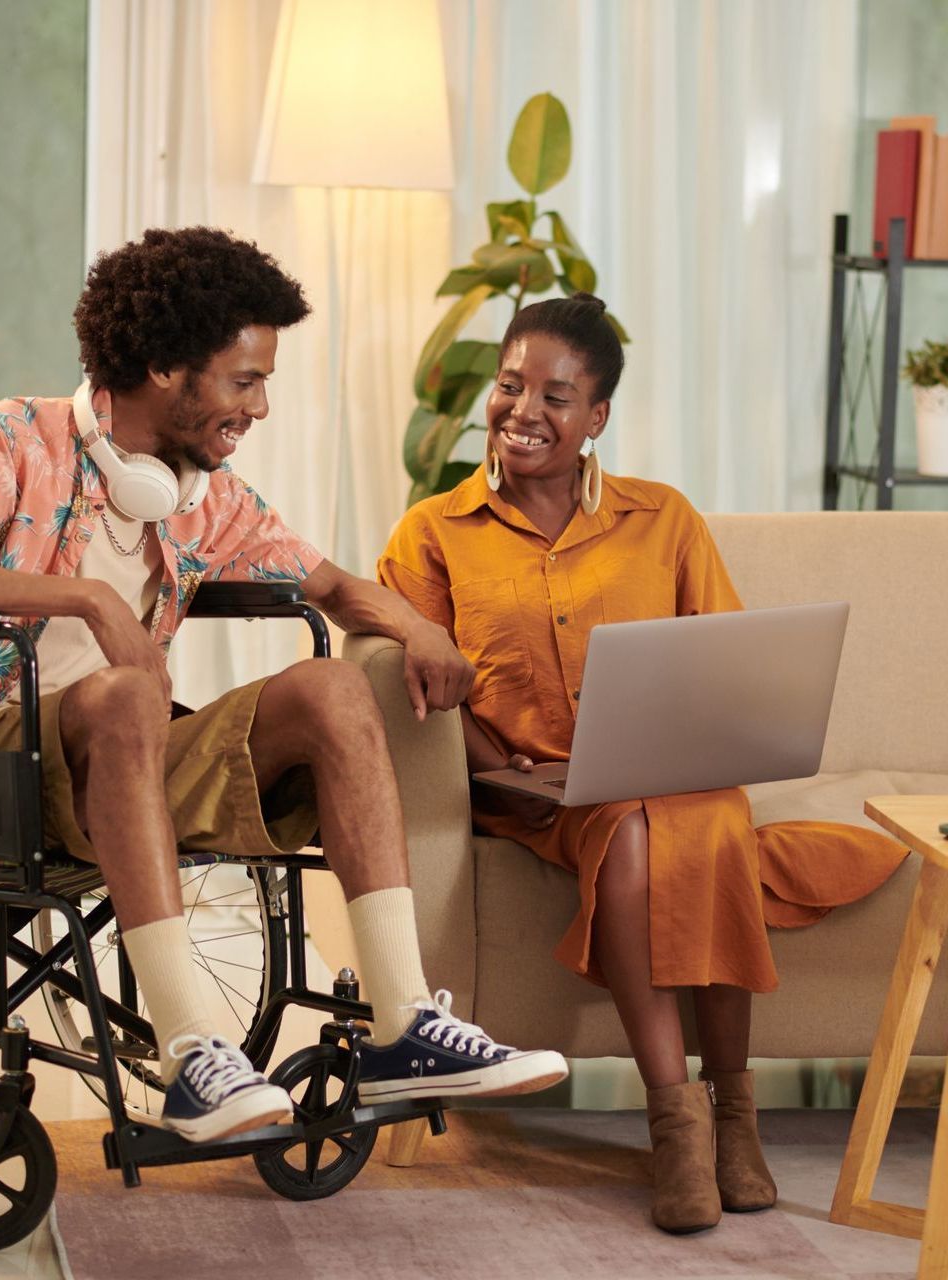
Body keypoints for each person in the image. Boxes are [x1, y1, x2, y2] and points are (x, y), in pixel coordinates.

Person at [0, 226, 568, 1146]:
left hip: (123, 766)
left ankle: (403, 1030)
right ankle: (192, 1051)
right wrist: (83, 599)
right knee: (122, 694)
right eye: (245, 380)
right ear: (162, 365)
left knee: (332, 689)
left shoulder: (202, 495)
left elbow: (337, 588)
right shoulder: (5, 442)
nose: (261, 407)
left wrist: (419, 628)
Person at [377, 293, 907, 1233]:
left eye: (556, 394)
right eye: (510, 385)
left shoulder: (662, 519)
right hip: (537, 790)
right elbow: (425, 680)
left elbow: (728, 664)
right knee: (630, 832)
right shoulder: (432, 532)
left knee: (700, 824)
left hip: (673, 775)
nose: (522, 411)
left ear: (597, 419)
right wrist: (500, 760)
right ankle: (680, 1122)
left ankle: (732, 1109)